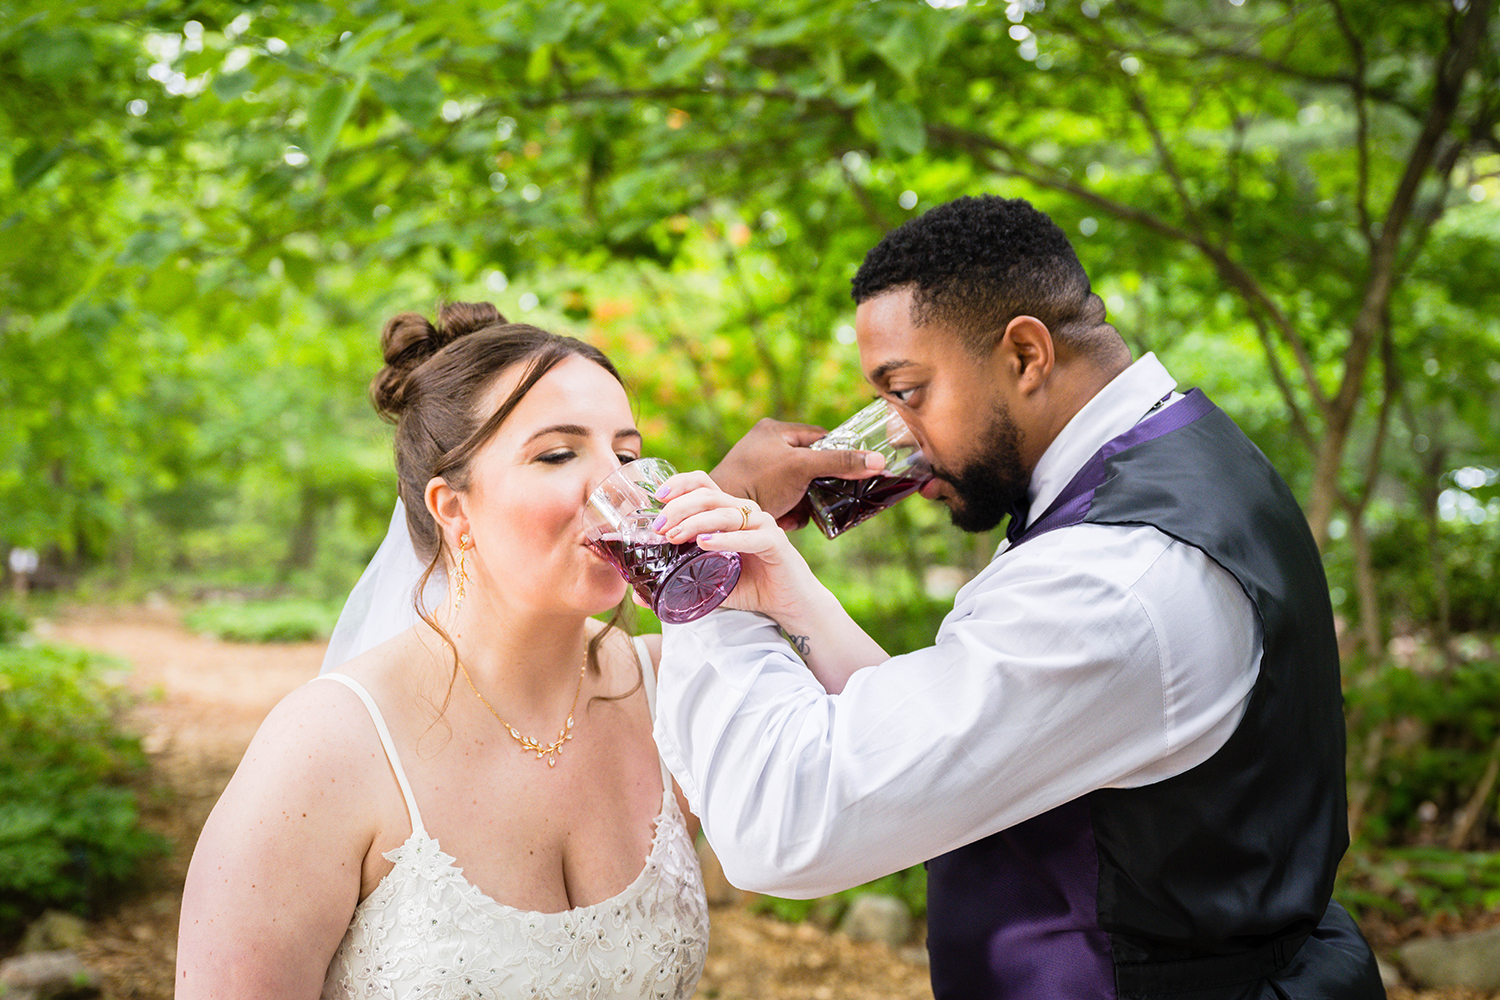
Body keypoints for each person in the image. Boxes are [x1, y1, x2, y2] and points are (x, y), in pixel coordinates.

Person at [647, 195, 1385, 999]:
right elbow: (960, 730)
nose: (895, 432)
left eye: (909, 391)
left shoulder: (1116, 577)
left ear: (1026, 355)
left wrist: (701, 579)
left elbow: (784, 828)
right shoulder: (1165, 469)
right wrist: (785, 593)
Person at [177, 303, 711, 999]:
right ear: (452, 508)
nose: (621, 487)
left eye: (629, 454)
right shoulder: (325, 750)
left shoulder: (674, 692)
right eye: (558, 454)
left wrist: (776, 587)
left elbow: (881, 787)